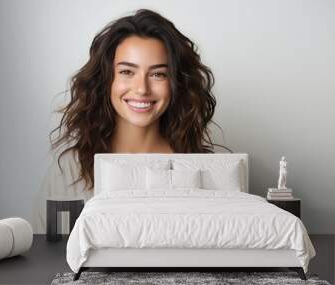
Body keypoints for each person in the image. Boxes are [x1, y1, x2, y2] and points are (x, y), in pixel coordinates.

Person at [32, 8, 230, 234]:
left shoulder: (205, 169)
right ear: (107, 80)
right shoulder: (69, 169)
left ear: (176, 83)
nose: (142, 89)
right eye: (127, 72)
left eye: (158, 74)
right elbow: (47, 257)